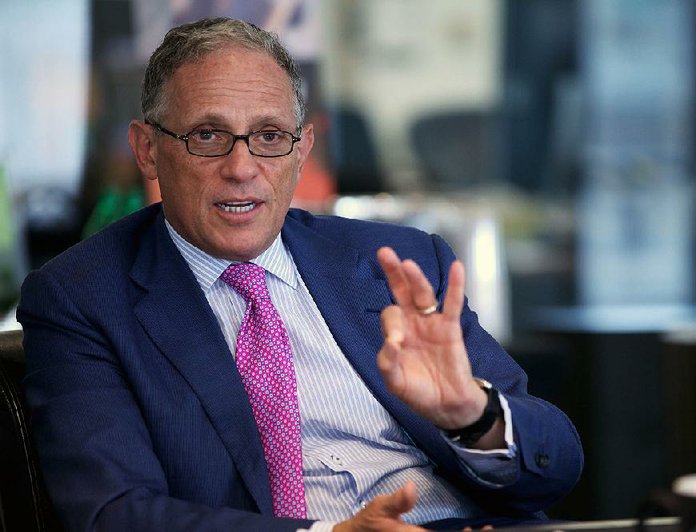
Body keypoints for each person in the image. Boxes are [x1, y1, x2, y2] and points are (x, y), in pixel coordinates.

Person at [17, 17, 583, 532]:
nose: (242, 169)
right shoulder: (81, 297)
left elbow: (556, 467)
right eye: (207, 136)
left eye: (268, 136)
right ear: (147, 150)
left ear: (301, 149)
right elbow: (113, 514)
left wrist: (473, 417)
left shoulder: (398, 263)